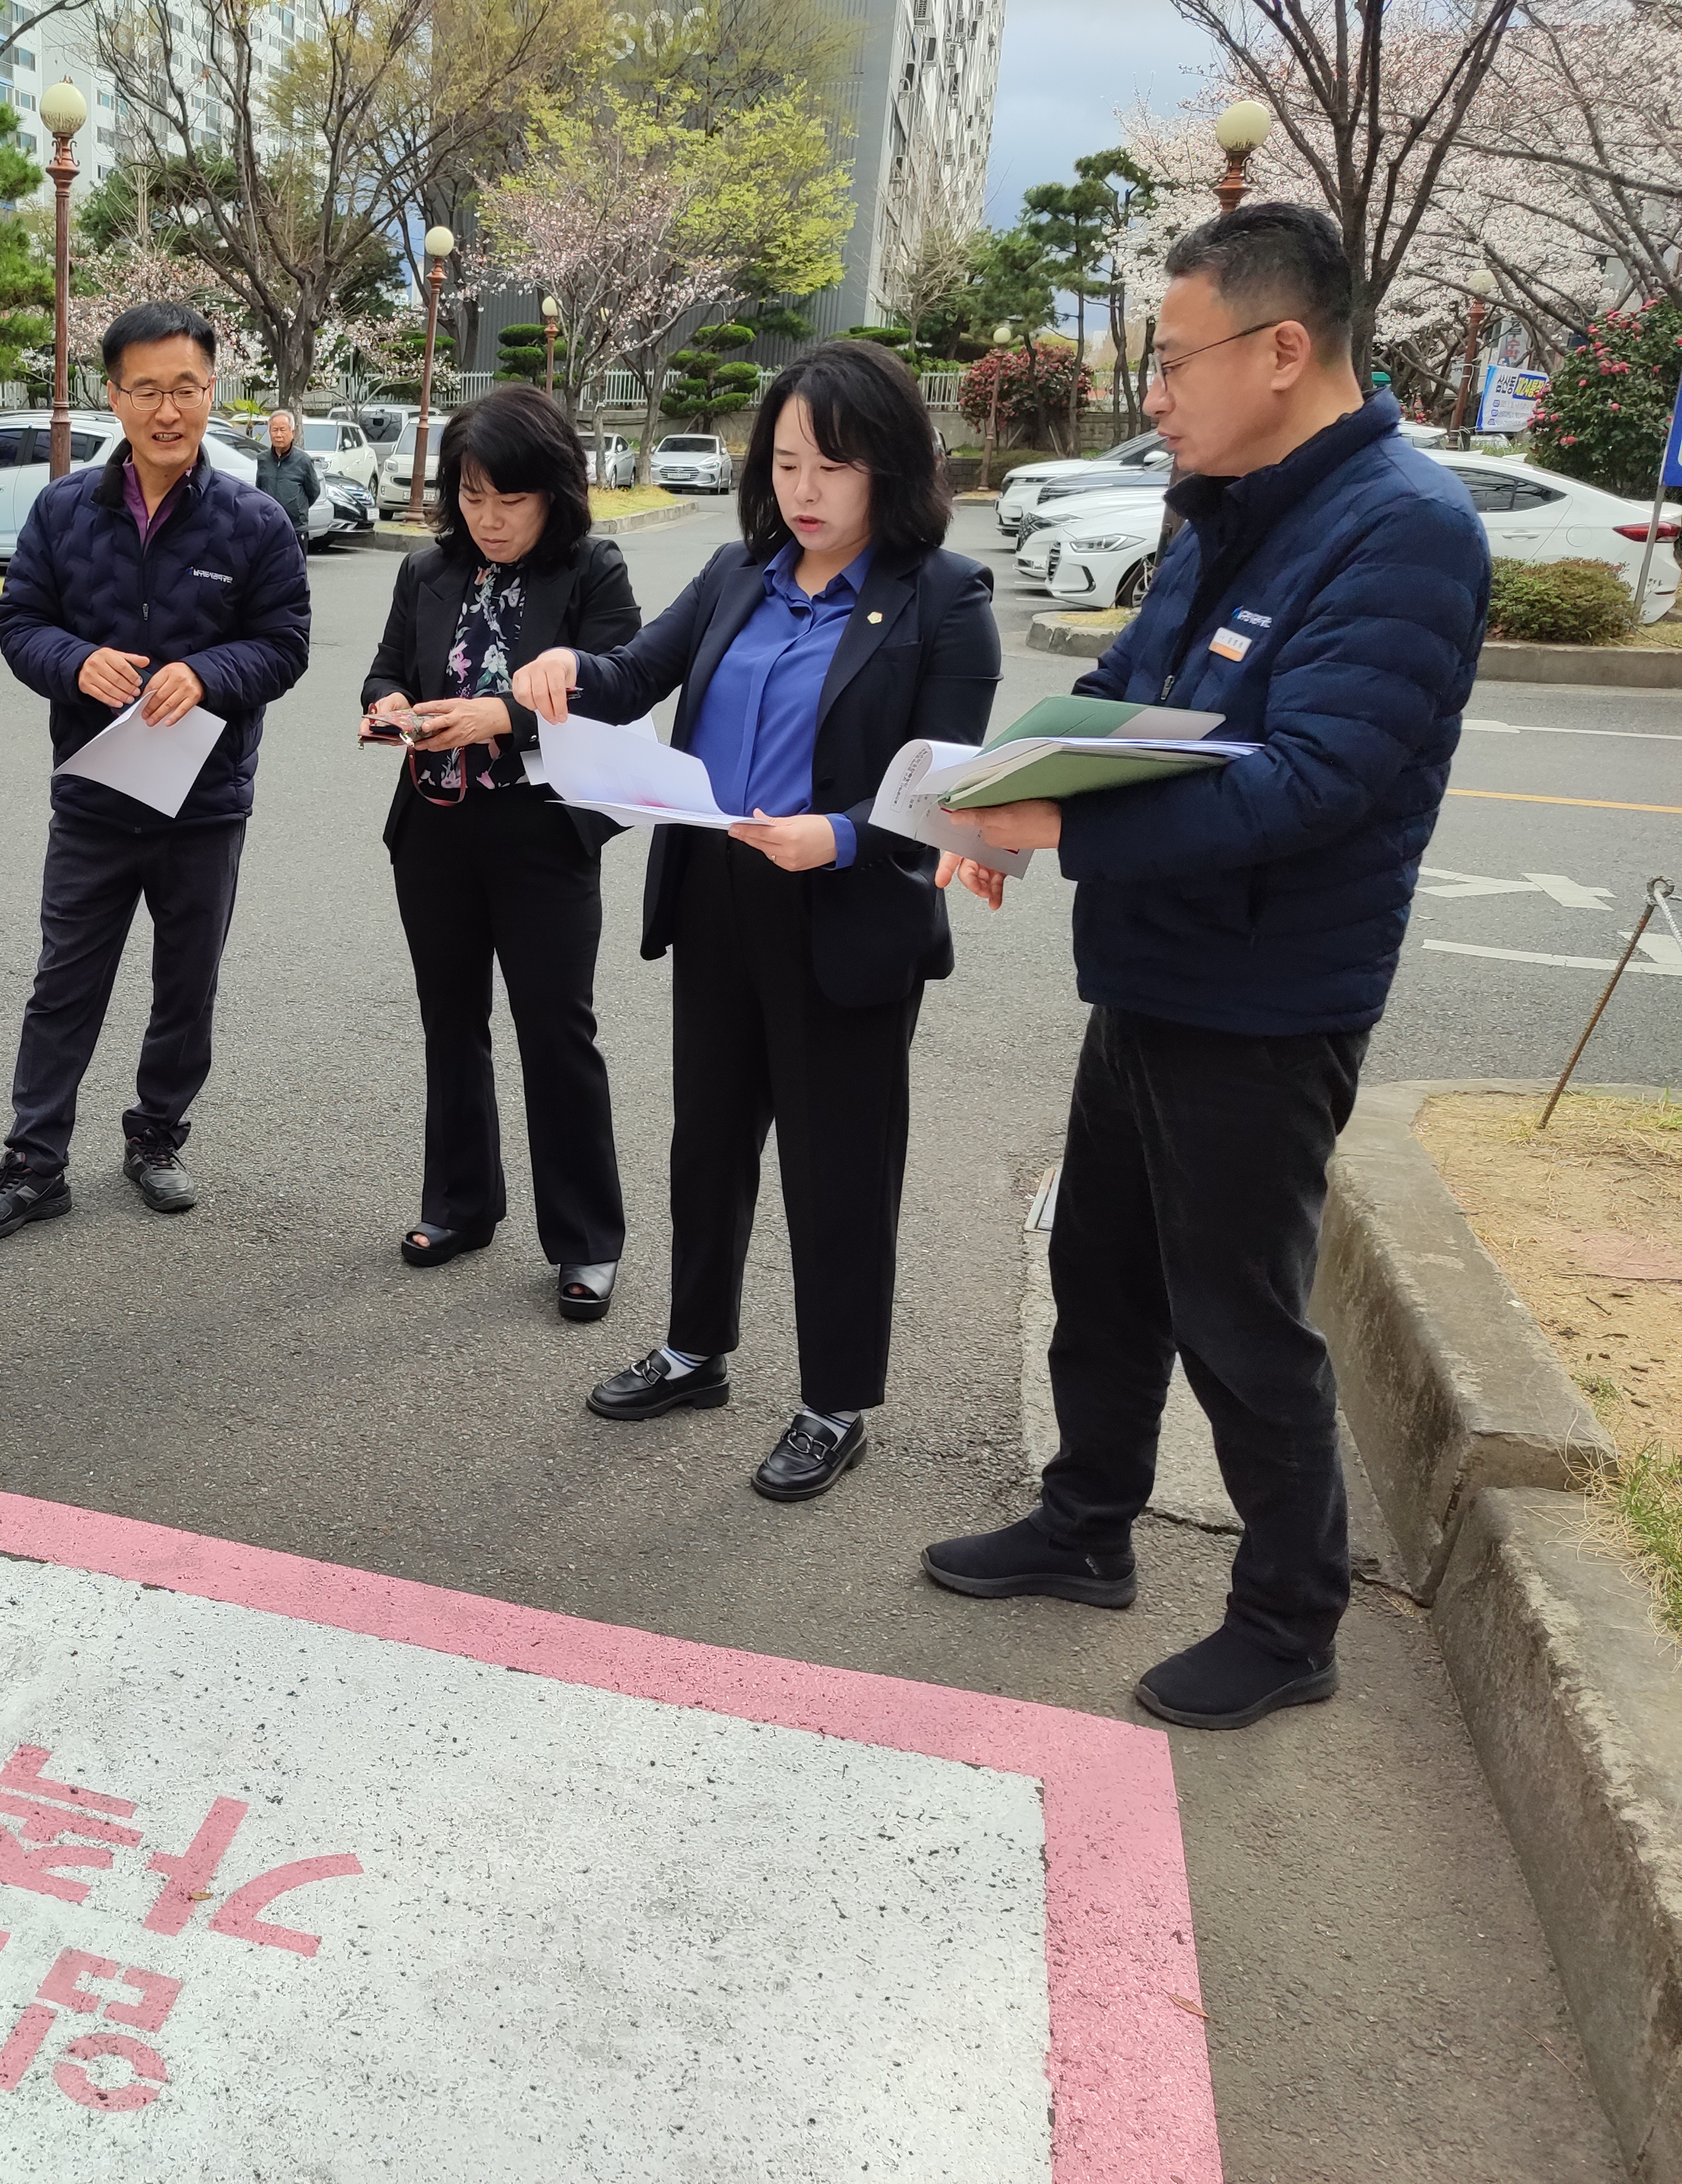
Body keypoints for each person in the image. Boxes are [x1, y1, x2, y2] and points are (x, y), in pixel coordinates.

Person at [923, 203, 1489, 1731]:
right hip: (1155, 971)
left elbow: (1309, 781)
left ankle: (1288, 1617)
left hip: (1265, 1000)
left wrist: (1064, 825)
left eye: (1173, 362)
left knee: (1239, 1317)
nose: (1154, 394)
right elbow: (1125, 685)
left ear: (1282, 350)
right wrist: (998, 795)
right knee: (1096, 1271)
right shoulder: (1217, 502)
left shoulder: (1401, 530)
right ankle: (1084, 1521)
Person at [512, 340, 999, 1500]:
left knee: (839, 1172)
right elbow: (634, 676)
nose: (805, 489)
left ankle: (834, 1404)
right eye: (785, 462)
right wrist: (567, 667)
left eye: (833, 465)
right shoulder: (741, 573)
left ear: (887, 467)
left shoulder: (943, 598)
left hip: (846, 911)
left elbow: (947, 790)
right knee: (709, 1142)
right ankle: (695, 1350)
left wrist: (832, 834)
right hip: (719, 892)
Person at [0, 301, 312, 1241]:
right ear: (111, 395)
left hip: (205, 801)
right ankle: (35, 1160)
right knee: (65, 979)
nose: (167, 409)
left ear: (212, 392)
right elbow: (19, 623)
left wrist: (207, 675)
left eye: (186, 388)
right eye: (146, 389)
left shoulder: (255, 520)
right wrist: (75, 661)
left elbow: (285, 644)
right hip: (96, 793)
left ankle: (156, 1135)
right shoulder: (63, 510)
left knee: (185, 983)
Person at [361, 384, 641, 1321]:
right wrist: (388, 706)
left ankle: (586, 1239)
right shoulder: (427, 570)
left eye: (508, 500)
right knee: (451, 1021)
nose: (487, 518)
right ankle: (462, 1205)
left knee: (556, 1032)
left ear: (553, 491)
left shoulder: (593, 572)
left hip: (542, 834)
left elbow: (617, 690)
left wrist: (504, 715)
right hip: (434, 829)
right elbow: (389, 665)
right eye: (471, 496)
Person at [256, 409, 320, 540]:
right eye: (275, 430)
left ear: (292, 433)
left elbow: (313, 492)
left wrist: (298, 510)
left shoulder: (303, 460)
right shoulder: (263, 460)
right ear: (269, 432)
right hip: (269, 527)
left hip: (295, 528)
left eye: (283, 430)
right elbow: (260, 491)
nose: (278, 435)